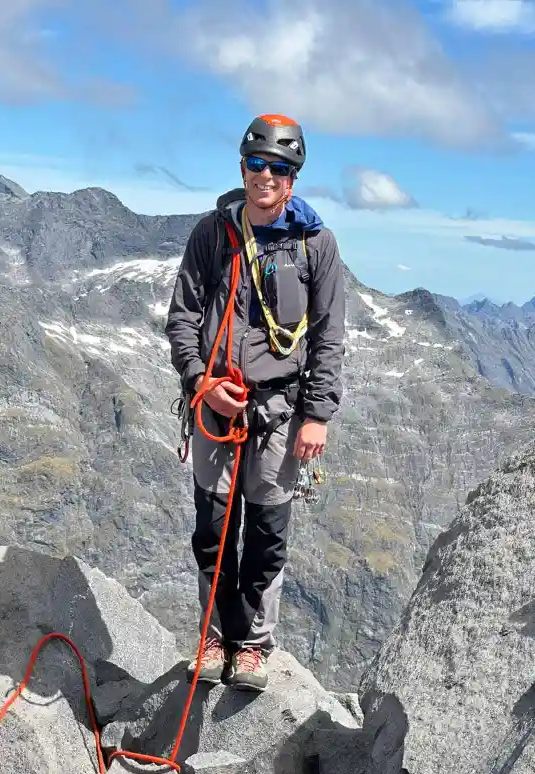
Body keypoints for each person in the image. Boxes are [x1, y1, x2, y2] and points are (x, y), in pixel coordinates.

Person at [165, 113, 345, 691]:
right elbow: (184, 318)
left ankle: (255, 646)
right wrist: (200, 383)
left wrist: (316, 413)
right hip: (216, 406)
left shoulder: (315, 243)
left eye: (278, 167)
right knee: (214, 530)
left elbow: (328, 335)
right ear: (242, 167)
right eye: (255, 163)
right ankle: (216, 637)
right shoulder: (211, 234)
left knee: (267, 530)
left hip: (279, 411)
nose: (264, 174)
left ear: (292, 176)